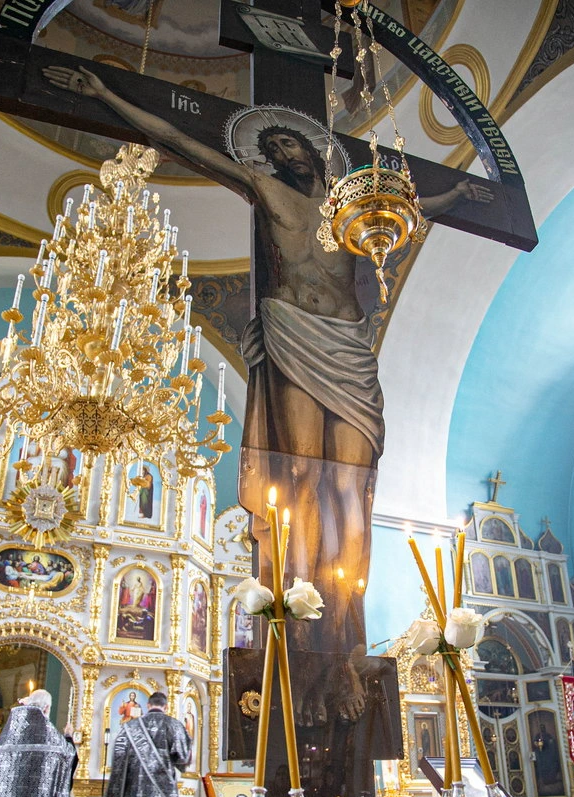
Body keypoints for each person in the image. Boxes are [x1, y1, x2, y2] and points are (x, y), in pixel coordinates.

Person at [42, 63, 492, 662]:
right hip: (291, 331)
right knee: (300, 472)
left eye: (291, 144)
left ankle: (344, 613)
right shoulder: (265, 188)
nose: (284, 153)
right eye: (274, 147)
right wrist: (105, 93)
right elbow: (179, 139)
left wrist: (456, 196)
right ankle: (298, 607)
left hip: (349, 345)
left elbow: (406, 206)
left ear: (312, 151)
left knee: (351, 484)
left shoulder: (351, 209)